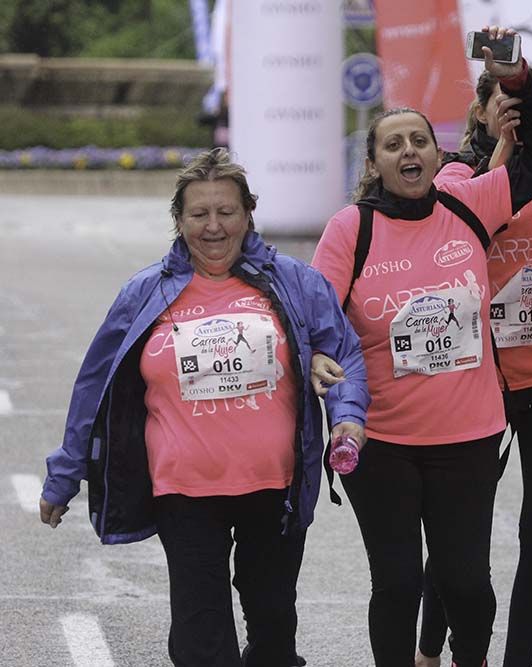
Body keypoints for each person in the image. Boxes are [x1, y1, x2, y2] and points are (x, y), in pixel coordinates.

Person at [38, 147, 370, 667]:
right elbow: (93, 388)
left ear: (247, 215)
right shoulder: (145, 293)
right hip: (183, 491)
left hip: (274, 487)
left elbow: (343, 351)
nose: (213, 226)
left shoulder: (295, 282)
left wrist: (348, 416)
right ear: (179, 219)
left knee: (273, 628)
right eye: (199, 214)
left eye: (226, 211)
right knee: (199, 643)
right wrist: (65, 475)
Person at [310, 27, 532, 667]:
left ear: (435, 149)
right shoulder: (351, 229)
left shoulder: (468, 203)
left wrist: (512, 76)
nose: (408, 152)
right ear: (375, 163)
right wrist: (318, 359)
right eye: (392, 144)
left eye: (418, 140)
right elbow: (313, 315)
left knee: (466, 587)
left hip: (469, 437)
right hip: (383, 441)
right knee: (397, 584)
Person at [415, 65, 532, 667]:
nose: (514, 108)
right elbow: (468, 221)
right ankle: (429, 650)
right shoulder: (454, 172)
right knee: (460, 530)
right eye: (504, 98)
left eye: (526, 99)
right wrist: (502, 154)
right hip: (477, 378)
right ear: (482, 109)